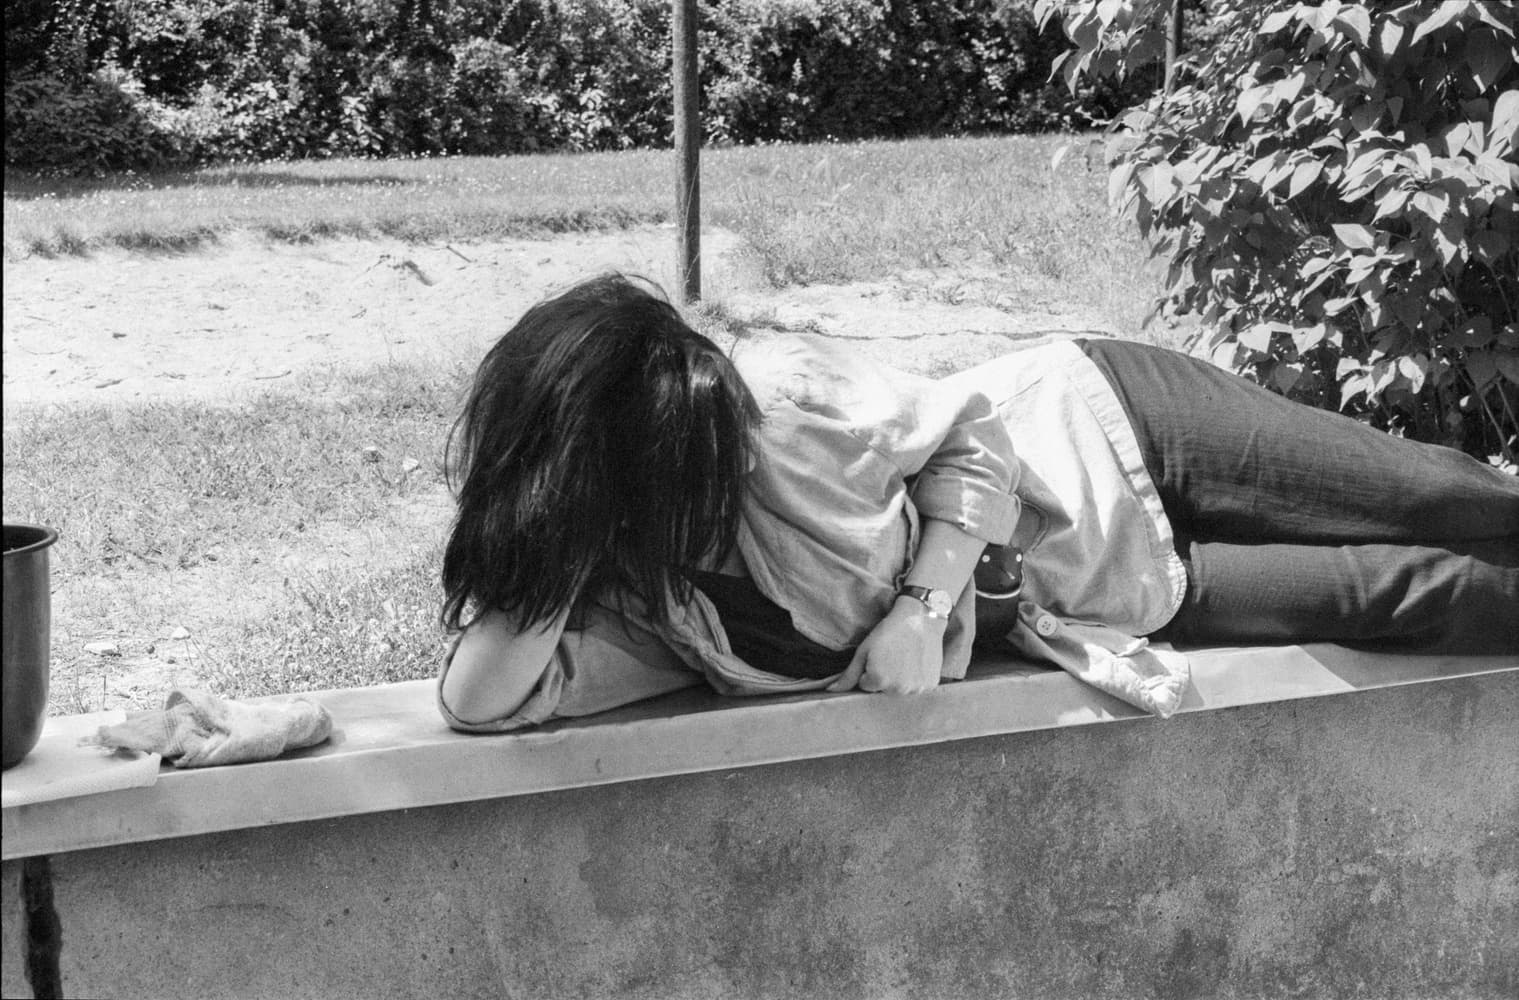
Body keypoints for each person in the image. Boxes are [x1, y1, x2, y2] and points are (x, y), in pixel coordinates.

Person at [437, 274, 1519, 732]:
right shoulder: (653, 610)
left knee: (1444, 494)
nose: (725, 437)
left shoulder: (780, 407)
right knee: (1413, 594)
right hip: (1108, 588)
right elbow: (480, 701)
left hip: (1113, 425)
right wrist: (549, 543)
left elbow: (969, 431)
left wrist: (915, 608)